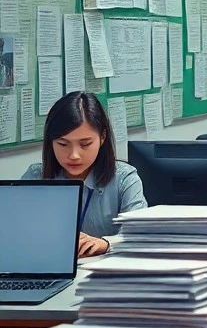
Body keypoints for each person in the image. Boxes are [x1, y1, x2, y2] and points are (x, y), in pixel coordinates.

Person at [22, 91, 147, 258]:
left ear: (102, 137)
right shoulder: (36, 177)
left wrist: (107, 244)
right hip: (50, 270)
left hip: (105, 277)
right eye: (63, 144)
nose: (74, 155)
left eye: (85, 144)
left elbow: (142, 236)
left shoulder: (124, 179)